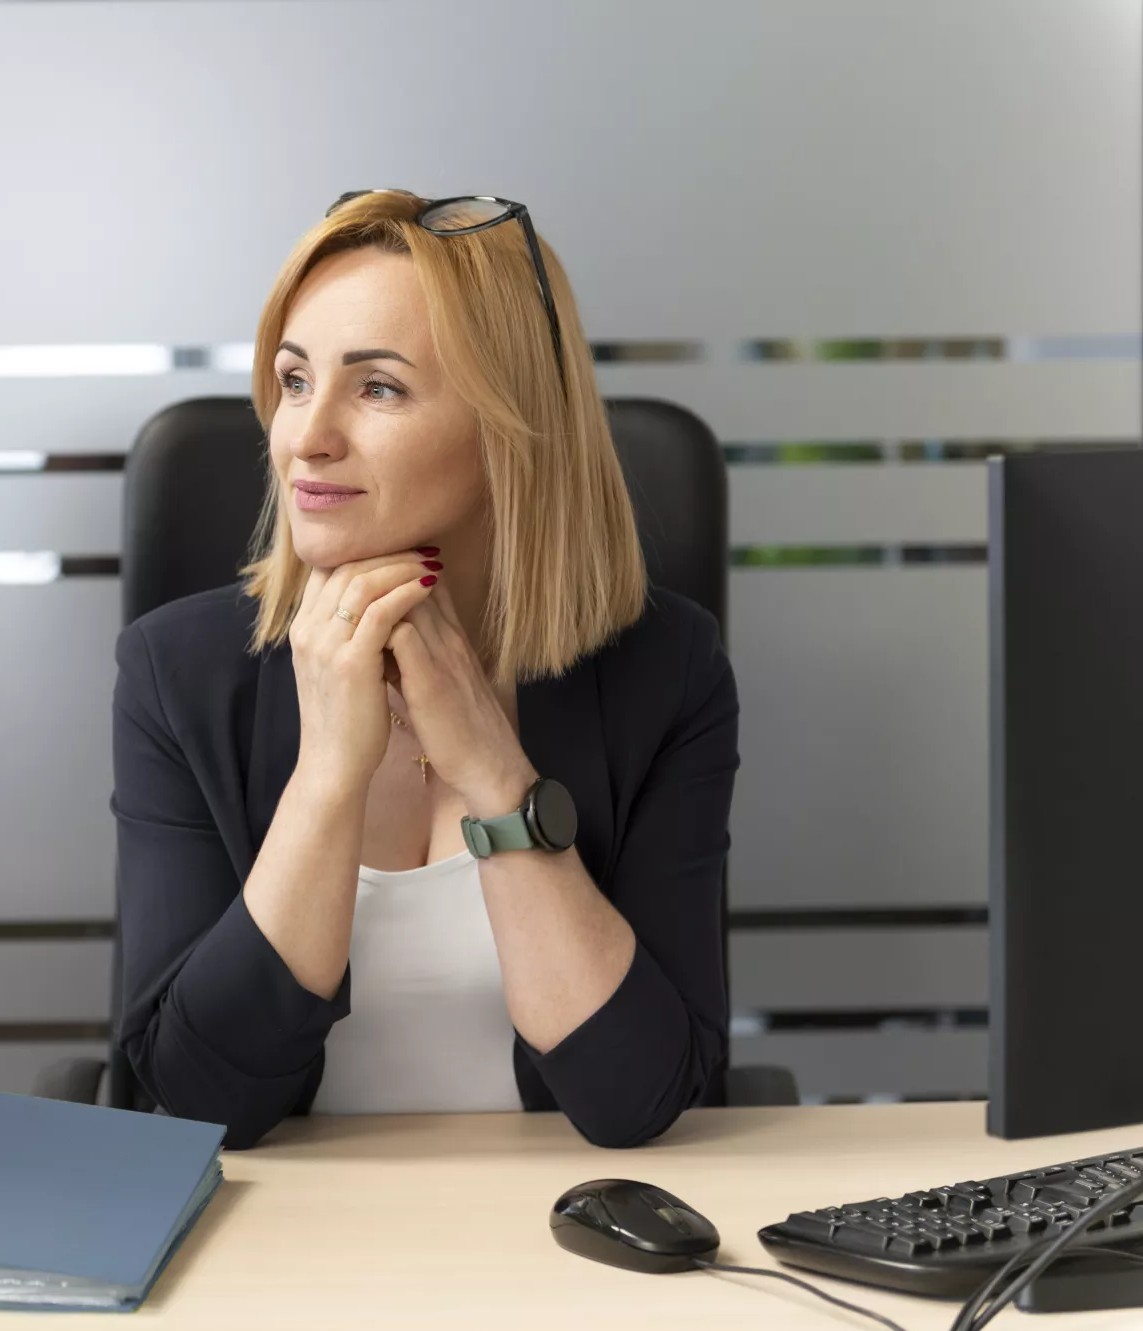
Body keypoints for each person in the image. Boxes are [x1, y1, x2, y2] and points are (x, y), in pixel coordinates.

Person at [110, 190, 739, 1150]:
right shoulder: (176, 673)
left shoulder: (667, 671)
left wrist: (496, 772)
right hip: (281, 1226)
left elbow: (637, 1099)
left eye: (378, 388)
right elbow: (200, 1104)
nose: (306, 437)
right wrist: (328, 773)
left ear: (510, 425)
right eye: (293, 380)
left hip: (556, 1218)